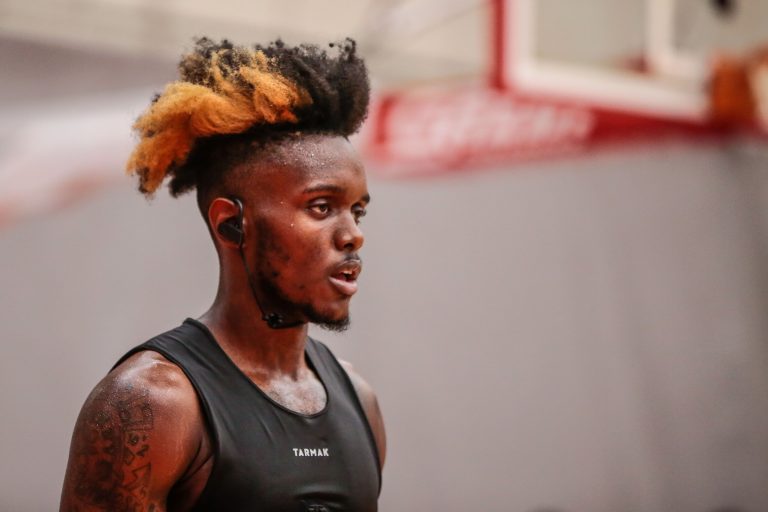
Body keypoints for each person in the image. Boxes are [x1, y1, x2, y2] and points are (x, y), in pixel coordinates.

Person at [60, 37, 385, 512]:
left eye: (357, 211)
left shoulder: (360, 399)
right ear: (231, 223)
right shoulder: (152, 403)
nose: (353, 235)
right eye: (321, 207)